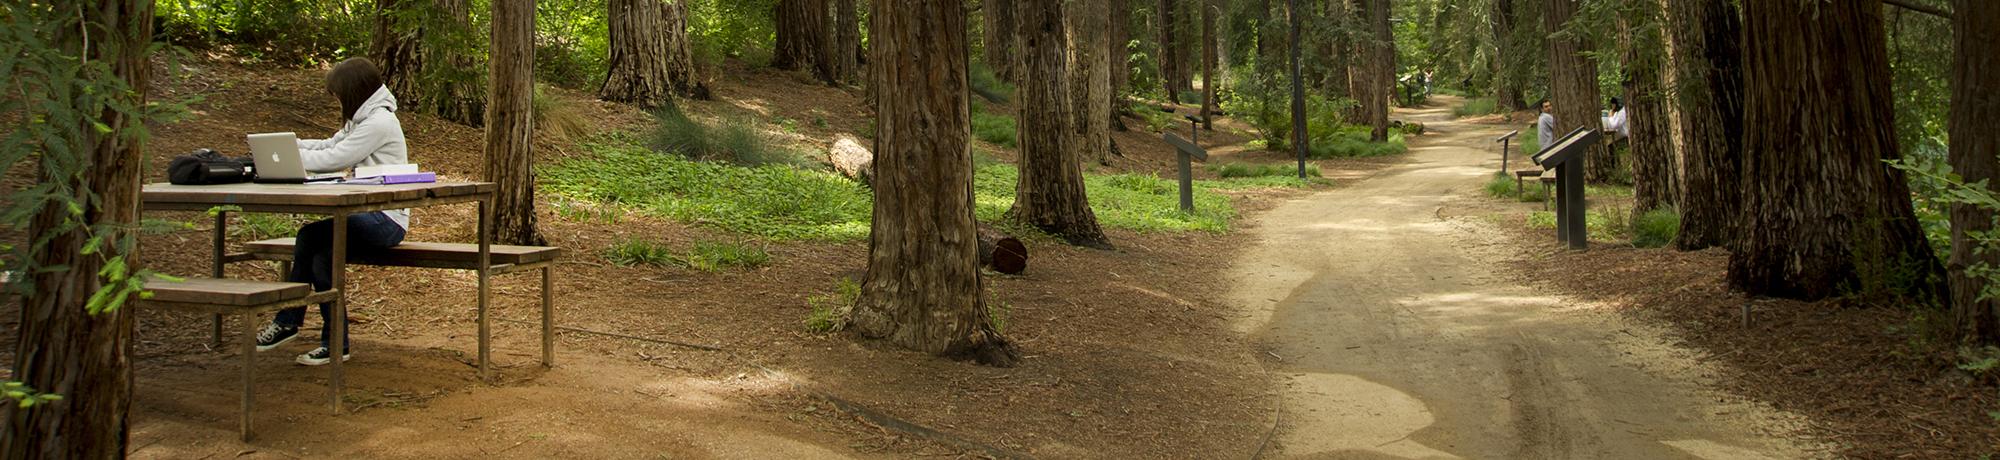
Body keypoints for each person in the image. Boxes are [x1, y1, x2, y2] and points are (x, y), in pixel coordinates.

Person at [255, 57, 410, 366]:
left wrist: (289, 155)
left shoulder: (380, 121)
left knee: (312, 236)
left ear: (353, 90)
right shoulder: (363, 119)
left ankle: (289, 321)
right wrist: (290, 145)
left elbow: (337, 157)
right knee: (321, 253)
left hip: (385, 219)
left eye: (339, 93)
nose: (337, 99)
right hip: (365, 212)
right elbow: (329, 144)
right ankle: (333, 342)